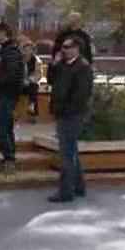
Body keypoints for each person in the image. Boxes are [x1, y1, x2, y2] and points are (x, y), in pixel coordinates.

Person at [47, 36, 93, 203]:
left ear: (77, 49)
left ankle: (66, 192)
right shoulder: (63, 65)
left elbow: (81, 95)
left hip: (73, 115)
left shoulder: (83, 67)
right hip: (62, 113)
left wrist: (65, 110)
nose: (64, 50)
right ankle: (79, 187)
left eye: (68, 47)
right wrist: (54, 63)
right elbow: (51, 79)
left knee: (66, 153)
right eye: (63, 47)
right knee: (71, 151)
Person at [0, 22, 25, 175]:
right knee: (6, 126)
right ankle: (9, 159)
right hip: (5, 94)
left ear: (3, 33)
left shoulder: (11, 51)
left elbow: (11, 75)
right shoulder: (5, 50)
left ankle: (9, 159)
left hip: (8, 94)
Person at [21, 39, 43, 123]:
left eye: (29, 49)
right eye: (26, 50)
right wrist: (23, 80)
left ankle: (32, 114)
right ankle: (13, 113)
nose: (27, 51)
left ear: (32, 50)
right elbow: (17, 73)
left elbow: (39, 74)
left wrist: (29, 80)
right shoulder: (20, 60)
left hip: (31, 83)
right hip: (21, 83)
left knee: (33, 89)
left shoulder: (37, 61)